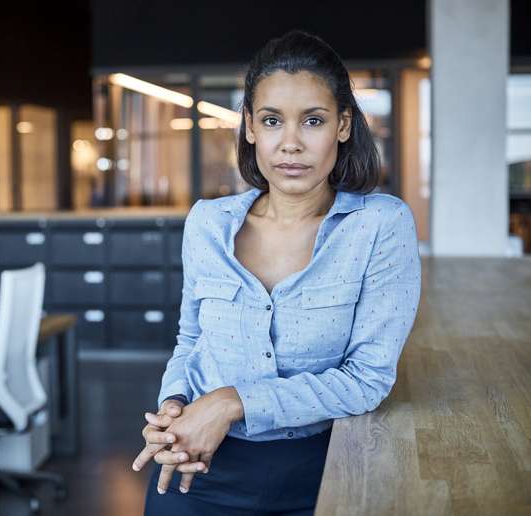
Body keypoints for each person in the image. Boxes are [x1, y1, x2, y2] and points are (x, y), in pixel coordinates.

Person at [131, 29, 422, 515]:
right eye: (271, 120)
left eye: (313, 120)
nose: (291, 144)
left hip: (320, 472)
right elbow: (190, 342)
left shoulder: (379, 225)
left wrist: (229, 403)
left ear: (343, 125)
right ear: (249, 127)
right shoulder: (208, 222)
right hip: (196, 468)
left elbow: (367, 380)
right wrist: (175, 410)